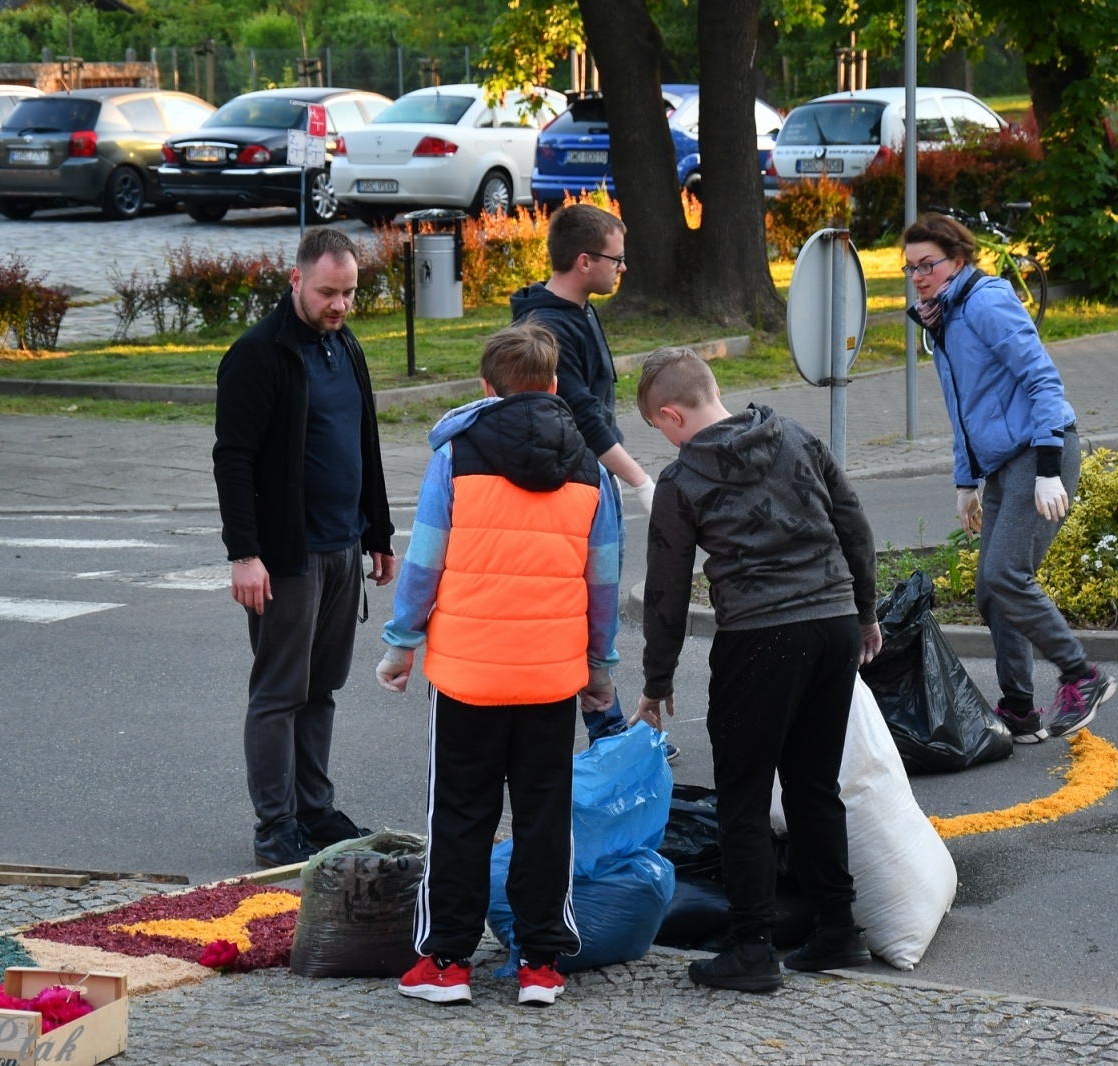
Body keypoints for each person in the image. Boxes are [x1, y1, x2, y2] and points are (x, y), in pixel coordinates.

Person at [376, 320, 622, 1008]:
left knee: (459, 814)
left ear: (488, 388)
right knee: (545, 816)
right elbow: (602, 579)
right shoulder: (592, 467)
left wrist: (401, 645)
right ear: (552, 386)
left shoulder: (456, 454)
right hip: (551, 674)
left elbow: (425, 558)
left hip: (468, 674)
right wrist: (599, 667)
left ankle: (448, 961)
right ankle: (540, 962)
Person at [635, 348, 882, 993]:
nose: (663, 438)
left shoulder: (684, 478)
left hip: (759, 640)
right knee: (812, 786)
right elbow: (853, 523)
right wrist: (865, 612)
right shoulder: (796, 436)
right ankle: (838, 930)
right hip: (831, 630)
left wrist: (657, 680)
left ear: (670, 413)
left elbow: (666, 589)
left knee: (742, 798)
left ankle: (752, 947)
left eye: (658, 426)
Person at [213, 227, 396, 870]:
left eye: (349, 292)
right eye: (327, 292)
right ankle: (276, 824)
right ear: (295, 281)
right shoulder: (258, 355)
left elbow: (363, 443)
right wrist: (244, 553)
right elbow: (233, 460)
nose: (340, 304)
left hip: (344, 545)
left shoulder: (344, 346)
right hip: (286, 554)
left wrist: (379, 531)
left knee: (322, 687)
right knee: (280, 689)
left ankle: (315, 808)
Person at [902, 212, 1117, 743]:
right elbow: (963, 410)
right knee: (991, 593)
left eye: (927, 265)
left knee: (1006, 575)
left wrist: (1048, 470)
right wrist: (964, 484)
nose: (918, 277)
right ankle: (1019, 708)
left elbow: (1043, 379)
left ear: (958, 259)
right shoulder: (944, 319)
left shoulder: (988, 301)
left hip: (1039, 454)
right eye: (909, 268)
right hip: (1002, 466)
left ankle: (1081, 676)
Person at [511, 203, 652, 747]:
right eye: (616, 259)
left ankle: (608, 727)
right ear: (584, 260)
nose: (623, 269)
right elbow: (583, 414)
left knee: (591, 609)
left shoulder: (579, 310)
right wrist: (638, 479)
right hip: (567, 488)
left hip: (587, 481)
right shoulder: (549, 327)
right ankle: (607, 730)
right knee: (584, 607)